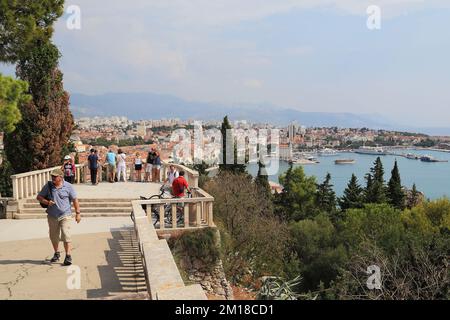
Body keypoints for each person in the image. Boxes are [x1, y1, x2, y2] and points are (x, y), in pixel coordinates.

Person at [37, 169, 81, 266]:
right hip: (52, 216)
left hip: (65, 215)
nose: (53, 178)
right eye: (52, 176)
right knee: (53, 236)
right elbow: (39, 197)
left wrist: (78, 213)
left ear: (61, 177)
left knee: (66, 234)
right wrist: (47, 202)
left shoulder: (68, 186)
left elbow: (75, 200)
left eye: (55, 176)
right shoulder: (48, 186)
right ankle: (57, 253)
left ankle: (68, 256)